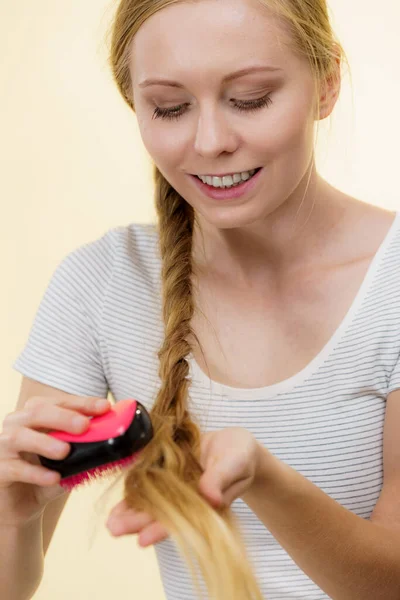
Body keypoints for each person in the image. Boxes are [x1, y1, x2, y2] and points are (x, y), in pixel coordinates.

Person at [1, 0, 400, 598]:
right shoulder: (103, 282)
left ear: (327, 84)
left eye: (250, 99)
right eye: (170, 108)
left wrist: (264, 478)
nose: (210, 142)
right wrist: (13, 515)